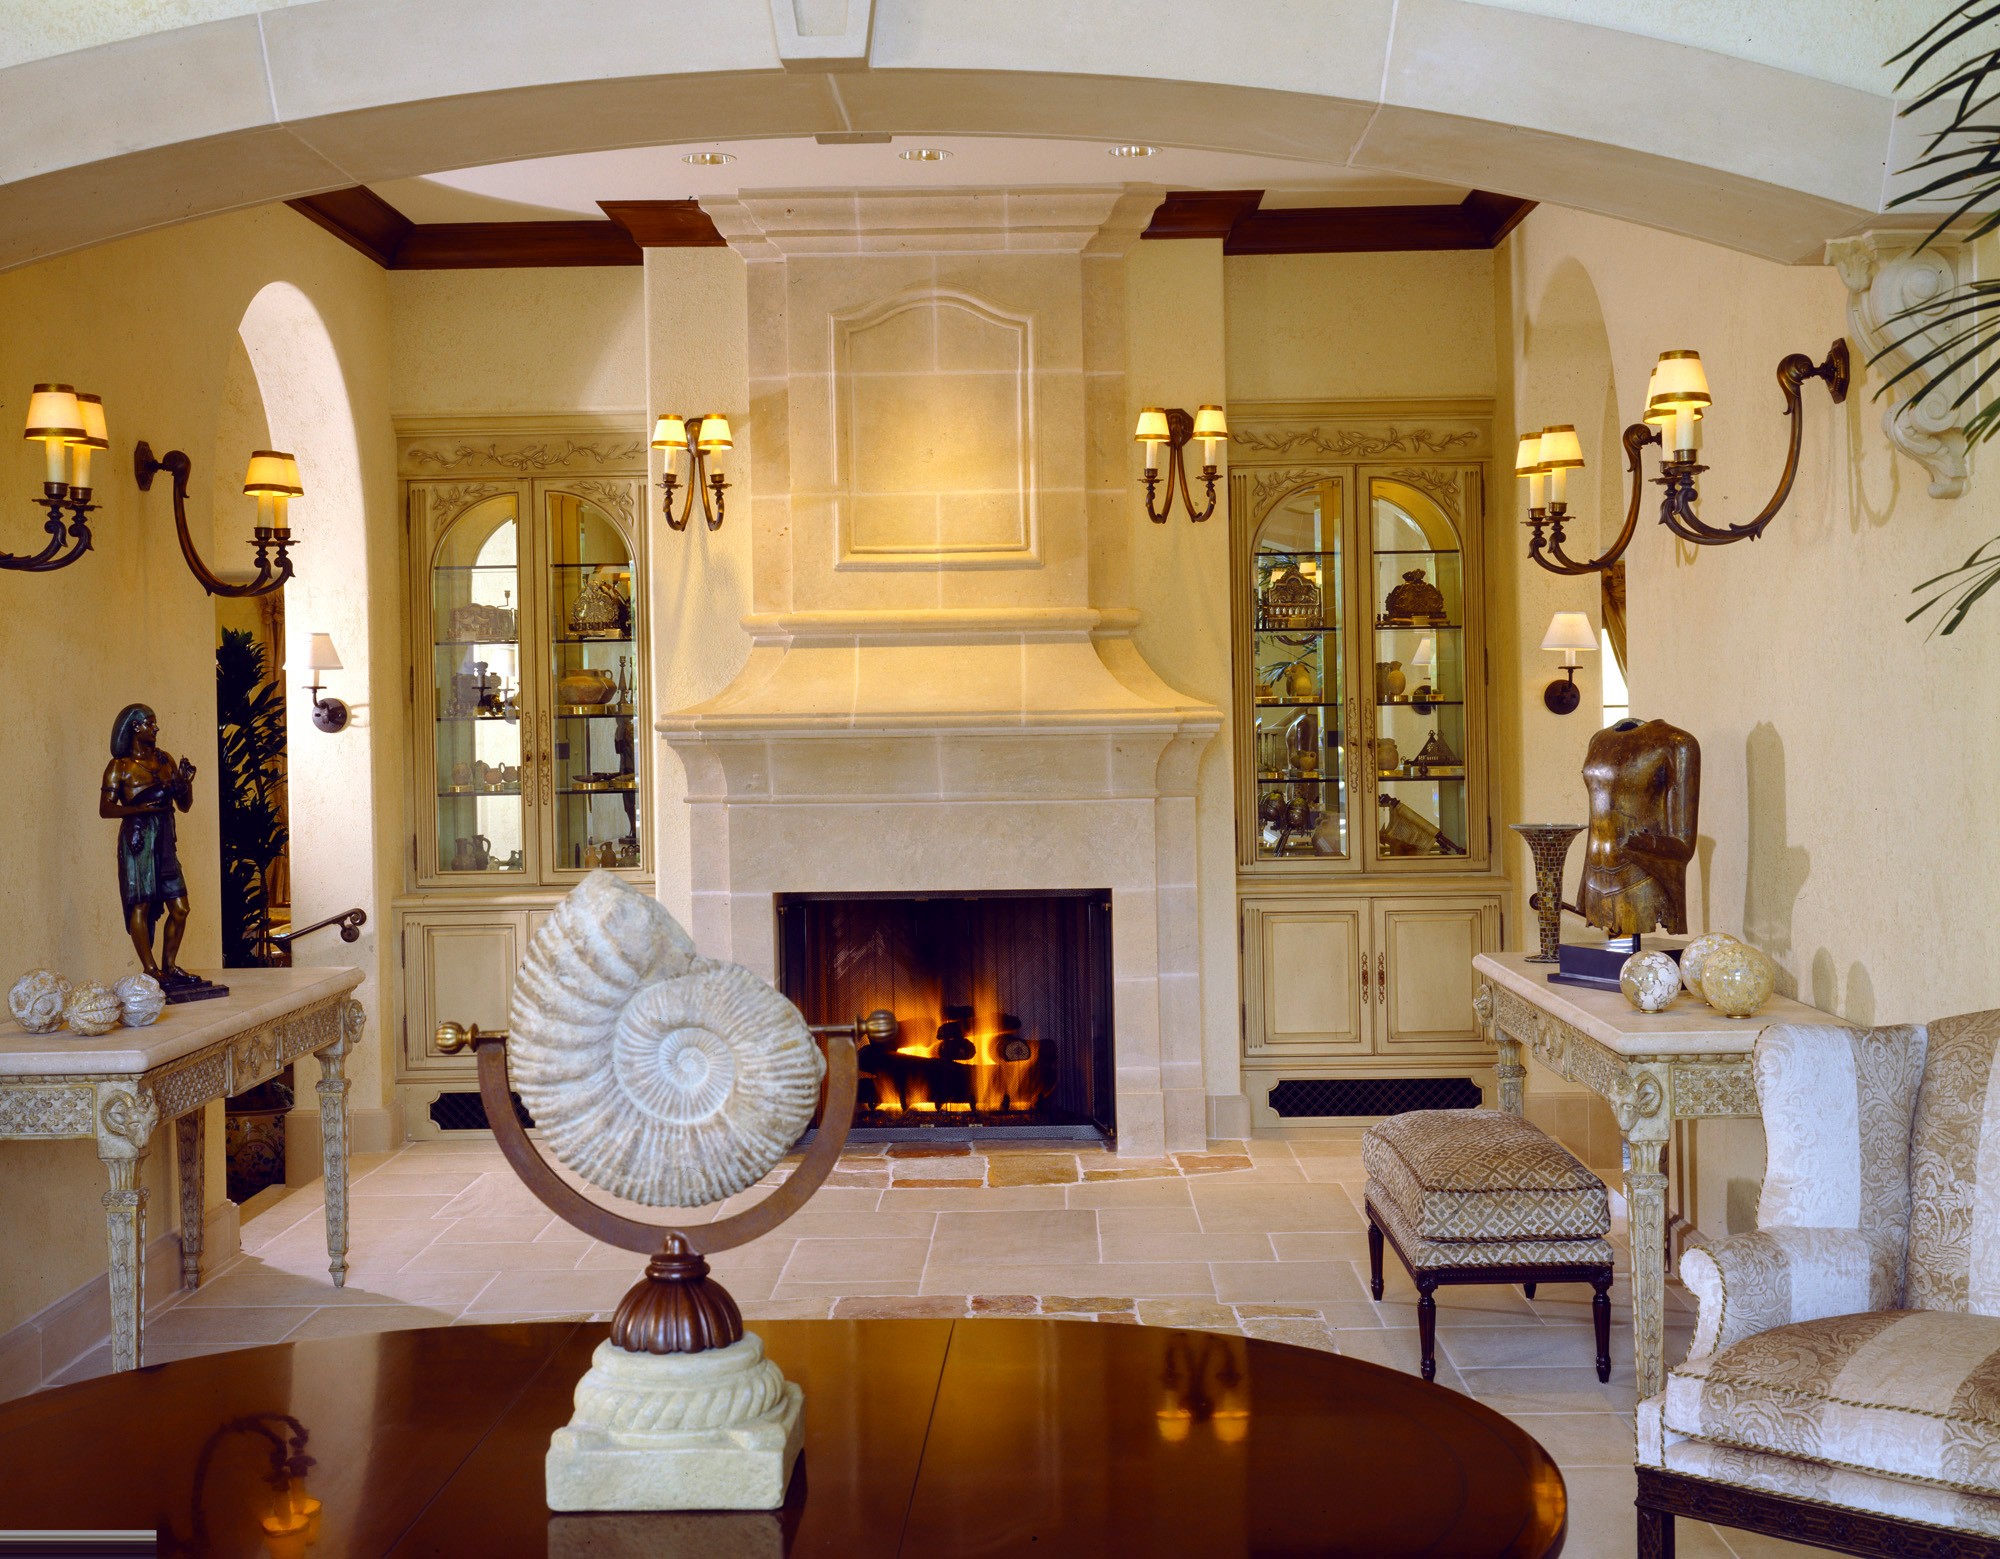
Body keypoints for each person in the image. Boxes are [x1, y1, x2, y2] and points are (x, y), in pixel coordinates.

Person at [100, 703, 197, 984]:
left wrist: (186, 782)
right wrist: (139, 810)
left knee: (180, 908)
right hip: (138, 840)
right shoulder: (120, 767)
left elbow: (185, 805)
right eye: (150, 723)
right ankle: (151, 970)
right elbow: (105, 808)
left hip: (165, 838)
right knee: (140, 905)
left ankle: (170, 966)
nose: (156, 728)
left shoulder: (165, 760)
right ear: (135, 727)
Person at [1578, 717, 1700, 937]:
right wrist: (1583, 888)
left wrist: (1642, 843)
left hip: (1639, 874)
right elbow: (1597, 818)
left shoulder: (1676, 743)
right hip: (1595, 873)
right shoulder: (1598, 740)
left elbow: (1684, 843)